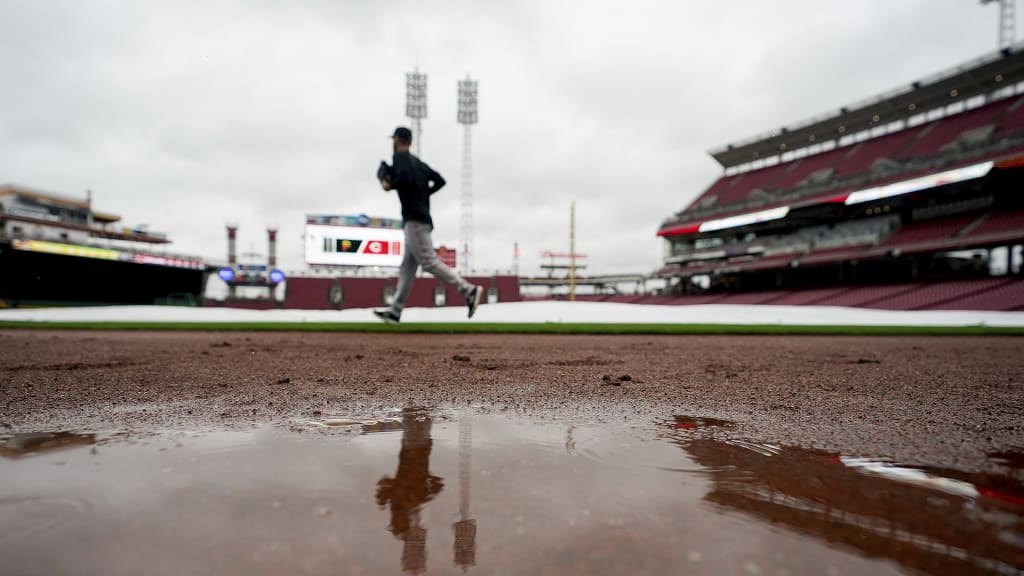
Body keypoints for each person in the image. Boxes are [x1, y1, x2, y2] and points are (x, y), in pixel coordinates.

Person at [374, 126, 483, 324]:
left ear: (398, 139)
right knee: (407, 268)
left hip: (415, 220)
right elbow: (440, 181)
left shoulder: (401, 158)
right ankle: (395, 311)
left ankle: (469, 290)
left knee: (428, 261)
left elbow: (403, 179)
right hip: (418, 218)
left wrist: (389, 183)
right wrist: (423, 195)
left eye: (394, 139)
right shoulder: (418, 164)